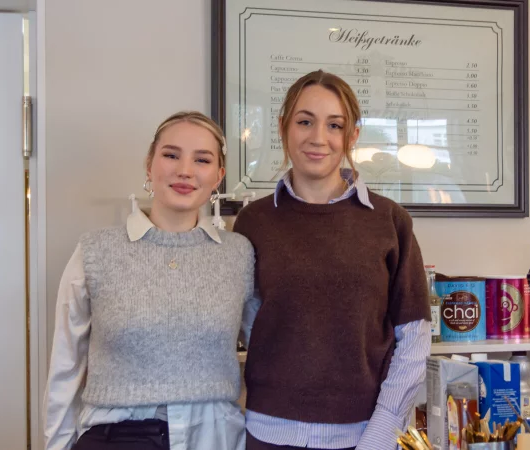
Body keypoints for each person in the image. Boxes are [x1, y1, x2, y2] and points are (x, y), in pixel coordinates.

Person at [234, 70, 432, 450]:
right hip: (267, 434)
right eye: (305, 121)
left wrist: (381, 434)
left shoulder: (390, 221)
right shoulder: (253, 221)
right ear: (284, 128)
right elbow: (246, 321)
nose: (318, 137)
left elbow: (414, 338)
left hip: (364, 437)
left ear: (352, 135)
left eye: (334, 125)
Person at [44, 111, 255, 450]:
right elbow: (65, 365)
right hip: (116, 434)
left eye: (202, 160)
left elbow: (268, 349)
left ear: (218, 176)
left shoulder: (239, 254)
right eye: (171, 155)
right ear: (149, 164)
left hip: (214, 435)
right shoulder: (96, 251)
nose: (185, 170)